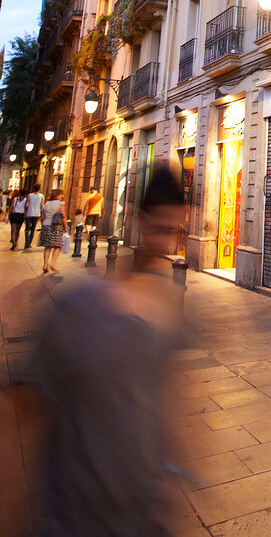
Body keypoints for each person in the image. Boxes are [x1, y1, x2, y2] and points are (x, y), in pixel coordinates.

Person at [19, 167, 186, 535]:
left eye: (172, 232)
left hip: (139, 511)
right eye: (158, 229)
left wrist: (168, 478)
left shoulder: (170, 311)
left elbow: (169, 402)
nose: (164, 245)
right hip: (75, 513)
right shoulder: (76, 307)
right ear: (137, 220)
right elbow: (25, 412)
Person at [39, 189, 67, 274]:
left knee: (47, 247)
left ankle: (45, 265)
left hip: (46, 225)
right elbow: (63, 215)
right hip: (57, 226)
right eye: (61, 195)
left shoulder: (46, 204)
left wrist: (43, 225)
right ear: (58, 195)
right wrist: (65, 226)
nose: (62, 196)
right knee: (57, 246)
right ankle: (53, 264)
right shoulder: (60, 203)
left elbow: (43, 216)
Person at [24, 182, 44, 249]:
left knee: (27, 229)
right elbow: (42, 206)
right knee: (33, 229)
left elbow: (26, 205)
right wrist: (42, 215)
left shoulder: (30, 195)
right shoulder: (41, 196)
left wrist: (26, 211)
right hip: (36, 214)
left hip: (29, 214)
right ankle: (29, 243)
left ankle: (26, 242)